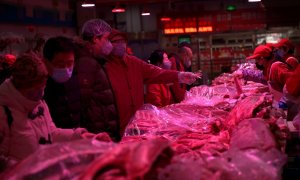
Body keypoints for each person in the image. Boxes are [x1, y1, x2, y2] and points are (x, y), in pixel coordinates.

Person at [0, 52, 88, 166]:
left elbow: (52, 133)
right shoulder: (3, 112)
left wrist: (78, 135)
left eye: (42, 88)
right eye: (33, 91)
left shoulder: (40, 104)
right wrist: (23, 168)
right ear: (19, 87)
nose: (40, 95)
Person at [105, 29, 199, 134]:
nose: (120, 45)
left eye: (122, 41)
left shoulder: (134, 63)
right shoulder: (104, 67)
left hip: (137, 125)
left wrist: (179, 75)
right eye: (116, 42)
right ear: (108, 45)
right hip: (115, 127)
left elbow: (158, 73)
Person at [76, 19, 121, 141]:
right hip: (98, 133)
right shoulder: (87, 63)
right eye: (106, 39)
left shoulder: (95, 60)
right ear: (95, 38)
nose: (109, 44)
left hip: (102, 131)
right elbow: (82, 103)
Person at [43, 36, 82, 130]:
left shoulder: (77, 80)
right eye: (60, 64)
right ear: (46, 62)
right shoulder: (40, 88)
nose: (65, 68)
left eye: (69, 63)